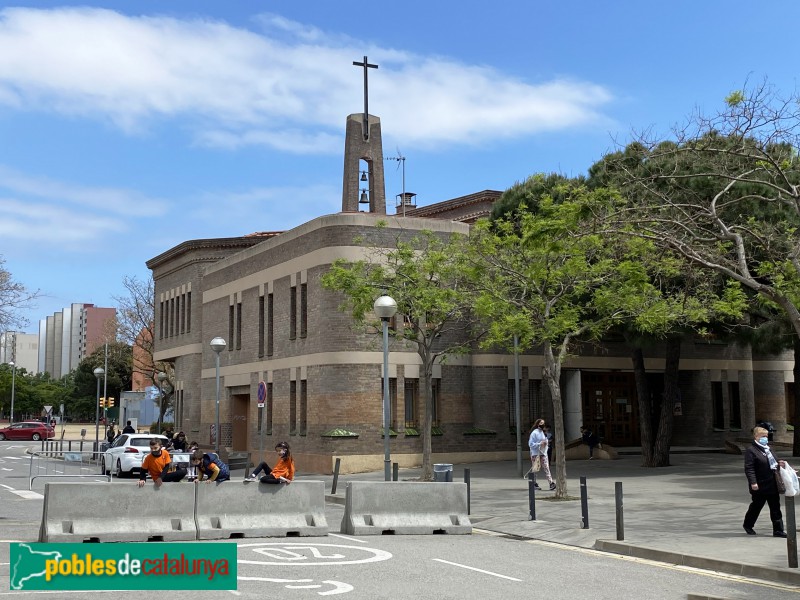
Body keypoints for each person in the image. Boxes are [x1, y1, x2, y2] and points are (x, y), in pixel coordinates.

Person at [743, 426, 787, 537]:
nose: (765, 438)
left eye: (766, 436)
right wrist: (753, 482)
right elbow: (749, 468)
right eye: (763, 436)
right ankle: (748, 524)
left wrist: (780, 463)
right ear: (756, 436)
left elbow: (773, 461)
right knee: (756, 506)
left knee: (775, 508)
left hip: (772, 483)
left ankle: (778, 530)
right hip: (760, 484)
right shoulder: (751, 450)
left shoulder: (768, 448)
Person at [528, 420, 555, 491]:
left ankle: (551, 483)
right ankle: (533, 483)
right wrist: (540, 444)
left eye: (544, 423)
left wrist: (546, 443)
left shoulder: (543, 433)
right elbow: (531, 444)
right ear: (537, 424)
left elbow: (545, 441)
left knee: (546, 467)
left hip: (543, 453)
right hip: (535, 453)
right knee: (536, 469)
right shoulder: (534, 433)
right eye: (541, 423)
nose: (543, 425)